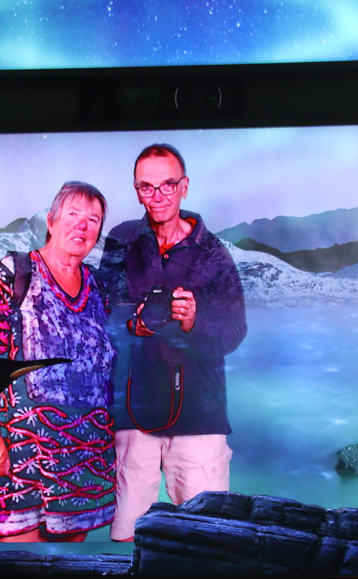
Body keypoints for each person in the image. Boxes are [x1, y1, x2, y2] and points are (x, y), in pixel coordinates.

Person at [99, 144, 247, 541]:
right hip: (135, 408)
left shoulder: (213, 254)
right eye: (146, 187)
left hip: (199, 412)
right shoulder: (121, 241)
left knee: (205, 537)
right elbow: (103, 311)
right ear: (136, 190)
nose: (158, 196)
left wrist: (193, 323)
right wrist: (134, 323)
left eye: (167, 185)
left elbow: (235, 331)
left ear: (184, 186)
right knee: (129, 537)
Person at [0, 181, 117, 542]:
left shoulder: (99, 287)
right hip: (22, 460)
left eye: (93, 219)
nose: (82, 225)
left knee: (66, 569)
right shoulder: (15, 273)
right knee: (23, 565)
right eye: (73, 214)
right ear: (51, 221)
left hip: (84, 464)